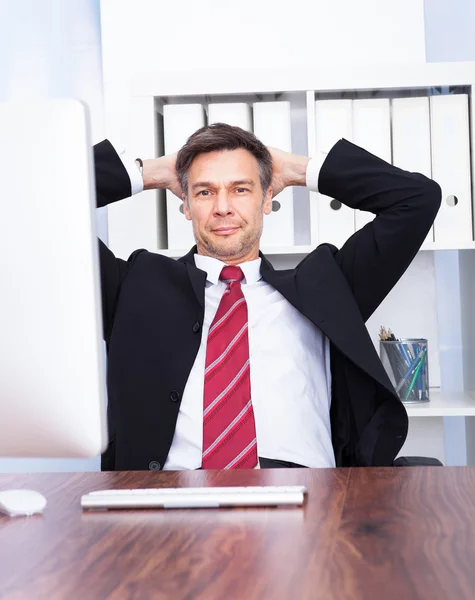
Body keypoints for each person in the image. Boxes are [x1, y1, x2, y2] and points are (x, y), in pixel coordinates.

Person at [95, 123, 441, 471]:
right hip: (168, 497)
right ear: (184, 205)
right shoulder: (134, 287)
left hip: (306, 495)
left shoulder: (327, 287)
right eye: (204, 193)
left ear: (267, 199)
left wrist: (299, 170)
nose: (223, 207)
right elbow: (41, 206)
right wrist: (151, 172)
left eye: (240, 189)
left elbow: (416, 200)